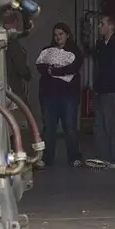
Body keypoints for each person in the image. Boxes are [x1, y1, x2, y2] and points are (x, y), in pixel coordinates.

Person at [35, 22, 84, 168]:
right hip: (49, 95)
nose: (58, 38)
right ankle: (46, 158)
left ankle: (74, 157)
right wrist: (56, 70)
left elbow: (73, 68)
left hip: (68, 95)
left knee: (69, 126)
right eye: (55, 35)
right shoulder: (47, 50)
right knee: (49, 127)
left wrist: (53, 71)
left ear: (67, 35)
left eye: (61, 34)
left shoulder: (75, 52)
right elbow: (40, 66)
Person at [87, 14, 115, 169]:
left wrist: (113, 87)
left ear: (110, 26)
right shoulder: (101, 45)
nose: (99, 26)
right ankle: (103, 156)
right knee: (99, 124)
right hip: (100, 89)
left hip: (110, 90)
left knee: (110, 123)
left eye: (102, 24)